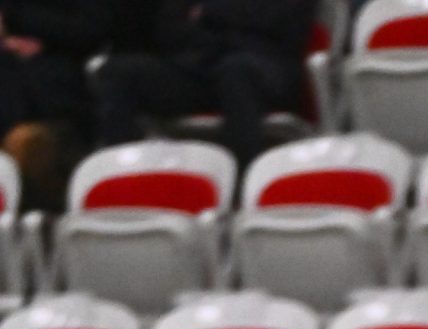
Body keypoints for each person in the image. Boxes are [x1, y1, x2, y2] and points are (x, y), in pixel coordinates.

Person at [94, 0, 318, 169]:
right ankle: (124, 176)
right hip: (201, 65)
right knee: (118, 72)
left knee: (235, 73)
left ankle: (245, 188)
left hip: (265, 67)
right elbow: (169, 26)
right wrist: (221, 25)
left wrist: (209, 12)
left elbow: (280, 22)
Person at [0, 0, 106, 210]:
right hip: (10, 82)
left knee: (27, 143)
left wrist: (15, 17)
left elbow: (91, 32)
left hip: (55, 100)